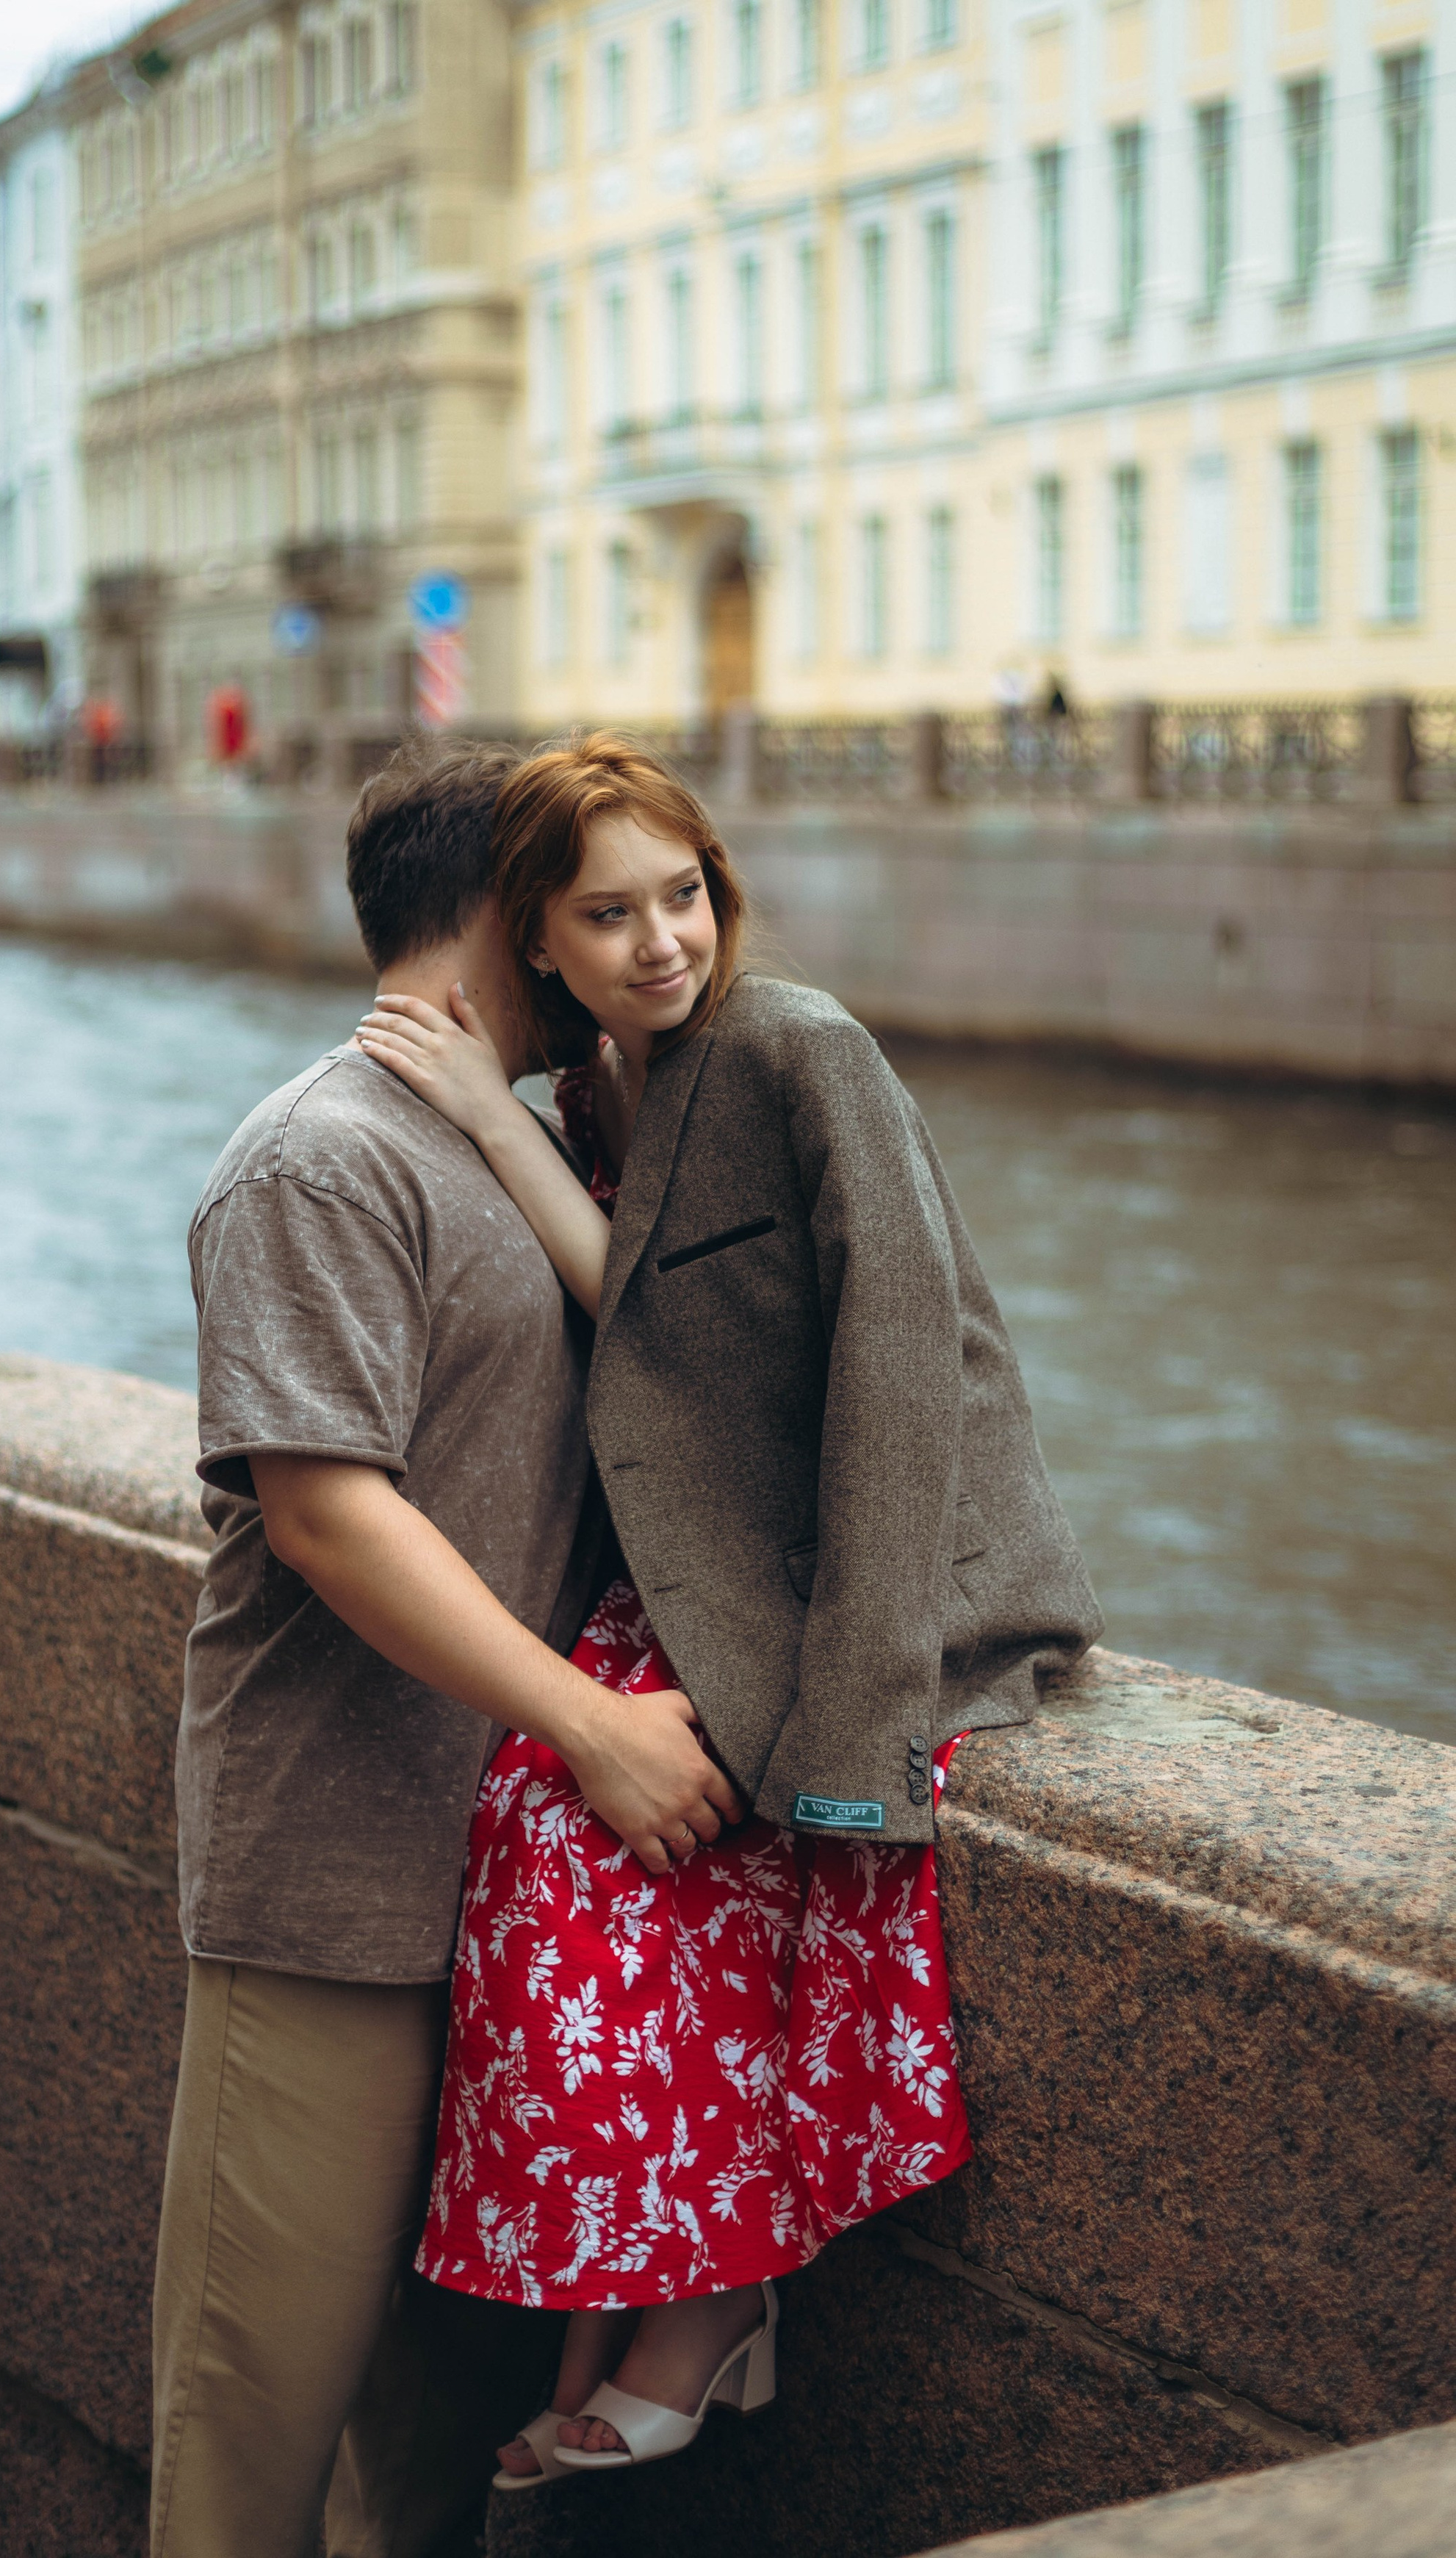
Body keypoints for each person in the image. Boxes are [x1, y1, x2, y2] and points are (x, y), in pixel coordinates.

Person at [355, 730, 1101, 2485]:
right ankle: (638, 2296)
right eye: (606, 915)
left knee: (692, 1872)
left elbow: (905, 1364)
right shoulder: (600, 1094)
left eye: (681, 895)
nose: (661, 942)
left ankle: (703, 2313)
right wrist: (484, 1115)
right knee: (537, 1842)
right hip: (713, 1576)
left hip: (875, 1593)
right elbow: (659, 1323)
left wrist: (854, 1730)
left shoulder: (795, 1045)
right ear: (535, 941)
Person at [150, 739, 743, 2558]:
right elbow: (328, 1514)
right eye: (581, 896)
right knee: (254, 2435)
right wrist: (596, 1725)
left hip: (515, 1907)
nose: (623, 937)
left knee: (425, 2464)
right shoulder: (321, 1157)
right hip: (334, 1885)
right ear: (509, 908)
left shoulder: (545, 1130)